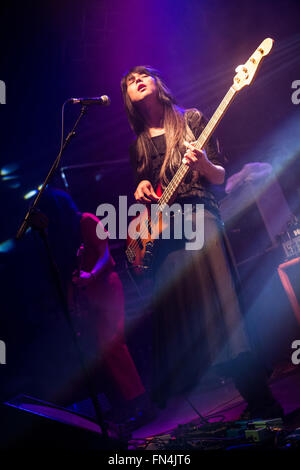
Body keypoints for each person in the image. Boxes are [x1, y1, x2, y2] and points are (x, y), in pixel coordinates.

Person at [121, 65, 283, 419]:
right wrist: (141, 190)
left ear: (157, 82)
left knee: (223, 306)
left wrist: (205, 164)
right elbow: (149, 195)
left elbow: (221, 177)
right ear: (128, 98)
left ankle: (261, 399)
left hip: (200, 215)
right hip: (166, 231)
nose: (137, 81)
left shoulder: (192, 119)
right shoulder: (138, 146)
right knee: (181, 316)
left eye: (142, 76)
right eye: (130, 81)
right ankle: (165, 406)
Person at [37, 188, 147, 423]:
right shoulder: (60, 234)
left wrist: (91, 275)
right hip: (86, 295)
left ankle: (140, 404)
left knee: (113, 346)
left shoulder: (86, 220)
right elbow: (68, 273)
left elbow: (105, 254)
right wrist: (71, 302)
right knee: (100, 351)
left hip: (106, 286)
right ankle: (125, 404)